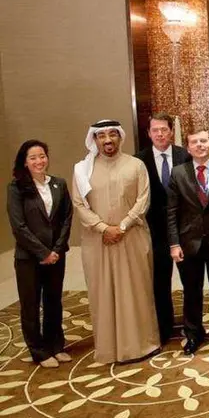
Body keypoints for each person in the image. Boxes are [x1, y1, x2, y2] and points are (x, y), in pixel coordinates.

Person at [71, 120, 160, 363]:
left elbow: (143, 200)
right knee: (104, 292)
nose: (107, 140)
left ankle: (142, 344)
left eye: (112, 135)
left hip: (132, 237)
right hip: (98, 241)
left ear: (120, 138)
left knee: (136, 290)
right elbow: (79, 204)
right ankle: (109, 347)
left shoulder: (136, 165)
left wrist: (121, 227)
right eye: (101, 136)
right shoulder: (82, 170)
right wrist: (103, 228)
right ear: (94, 140)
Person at [7, 140, 73, 368]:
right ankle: (39, 351)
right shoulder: (16, 188)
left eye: (42, 156)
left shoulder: (59, 184)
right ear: (25, 162)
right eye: (33, 157)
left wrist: (56, 250)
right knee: (31, 304)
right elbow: (18, 226)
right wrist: (43, 252)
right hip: (29, 258)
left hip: (56, 255)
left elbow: (66, 218)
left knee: (54, 301)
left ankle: (56, 345)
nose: (39, 161)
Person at [167, 129, 209, 355]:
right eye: (194, 142)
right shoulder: (178, 173)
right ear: (188, 148)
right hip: (188, 243)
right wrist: (174, 244)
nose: (199, 145)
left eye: (203, 141)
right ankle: (194, 335)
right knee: (191, 292)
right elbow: (172, 212)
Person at [135, 113, 191, 344]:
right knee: (159, 281)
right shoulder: (139, 161)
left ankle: (191, 325)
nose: (160, 134)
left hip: (185, 230)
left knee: (191, 280)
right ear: (148, 133)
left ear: (171, 132)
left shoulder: (184, 156)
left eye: (164, 130)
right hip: (155, 232)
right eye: (155, 130)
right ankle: (164, 327)